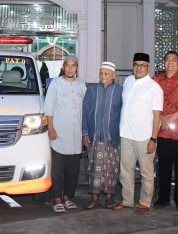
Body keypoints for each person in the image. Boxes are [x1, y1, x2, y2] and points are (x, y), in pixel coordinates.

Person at [114, 52, 163, 213]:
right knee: (125, 171)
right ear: (132, 66)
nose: (139, 68)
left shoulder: (154, 87)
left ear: (148, 67)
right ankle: (127, 200)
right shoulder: (128, 81)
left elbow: (157, 115)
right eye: (136, 65)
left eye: (142, 65)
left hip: (144, 137)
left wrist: (153, 139)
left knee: (146, 172)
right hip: (126, 134)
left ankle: (145, 202)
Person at [152, 51, 178, 211]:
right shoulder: (156, 80)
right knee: (163, 165)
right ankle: (163, 198)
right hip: (161, 130)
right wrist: (160, 118)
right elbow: (150, 100)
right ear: (163, 63)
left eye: (174, 60)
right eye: (167, 59)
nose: (170, 62)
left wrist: (169, 119)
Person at [44, 56, 86, 213]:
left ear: (77, 67)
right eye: (67, 65)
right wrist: (51, 128)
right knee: (57, 171)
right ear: (63, 67)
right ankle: (57, 199)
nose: (70, 68)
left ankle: (68, 197)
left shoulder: (82, 85)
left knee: (73, 171)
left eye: (73, 65)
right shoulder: (55, 83)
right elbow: (48, 108)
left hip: (76, 135)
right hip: (59, 135)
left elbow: (85, 111)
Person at [81, 61, 123, 210]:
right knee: (94, 168)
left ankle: (110, 199)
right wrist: (85, 133)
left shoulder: (120, 91)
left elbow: (124, 114)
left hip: (112, 138)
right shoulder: (92, 90)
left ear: (113, 76)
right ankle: (95, 199)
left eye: (106, 73)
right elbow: (85, 113)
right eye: (101, 73)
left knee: (111, 169)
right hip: (94, 137)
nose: (103, 76)